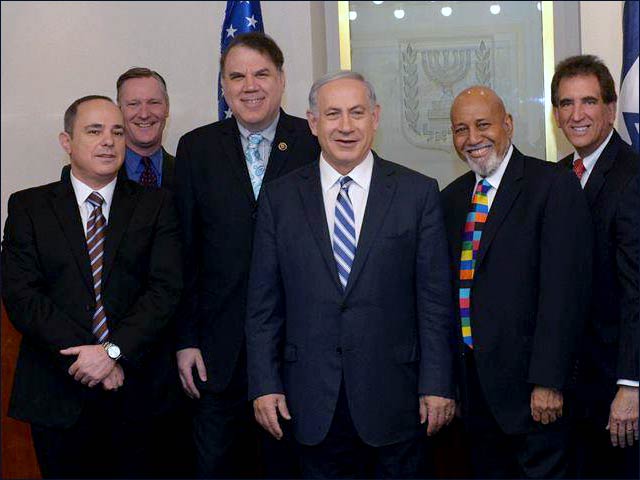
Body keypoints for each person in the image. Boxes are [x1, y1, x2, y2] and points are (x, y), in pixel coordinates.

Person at [245, 70, 456, 479]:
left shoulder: (417, 193)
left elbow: (434, 303)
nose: (345, 126)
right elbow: (263, 304)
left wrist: (438, 383)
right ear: (313, 123)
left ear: (375, 118)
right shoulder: (280, 198)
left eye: (357, 113)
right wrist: (264, 383)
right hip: (309, 401)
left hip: (396, 400)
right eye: (333, 114)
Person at [1, 95, 183, 478]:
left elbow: (164, 290)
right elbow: (22, 295)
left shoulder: (156, 205)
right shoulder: (28, 207)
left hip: (138, 394)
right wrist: (91, 357)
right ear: (67, 142)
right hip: (57, 392)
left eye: (118, 131)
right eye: (94, 131)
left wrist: (114, 352)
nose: (109, 141)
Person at [173, 32, 320, 478]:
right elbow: (185, 253)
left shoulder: (315, 142)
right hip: (219, 353)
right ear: (223, 86)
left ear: (282, 80)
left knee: (291, 467)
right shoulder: (196, 148)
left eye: (261, 74)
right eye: (236, 76)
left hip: (298, 349)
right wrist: (186, 338)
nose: (249, 86)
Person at [440, 86, 593, 478]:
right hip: (474, 395)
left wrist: (548, 381)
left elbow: (564, 293)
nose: (472, 139)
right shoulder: (452, 198)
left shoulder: (552, 185)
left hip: (533, 394)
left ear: (507, 125)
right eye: (461, 129)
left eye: (483, 125)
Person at [552, 54, 639, 479]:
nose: (577, 114)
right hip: (571, 391)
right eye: (566, 104)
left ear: (609, 107)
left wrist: (631, 385)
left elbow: (637, 291)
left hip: (616, 391)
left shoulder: (633, 175)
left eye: (588, 101)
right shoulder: (554, 178)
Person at [61, 67, 174, 190]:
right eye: (133, 104)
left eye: (154, 103)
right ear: (118, 111)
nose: (144, 114)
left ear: (167, 108)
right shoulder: (83, 174)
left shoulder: (187, 171)